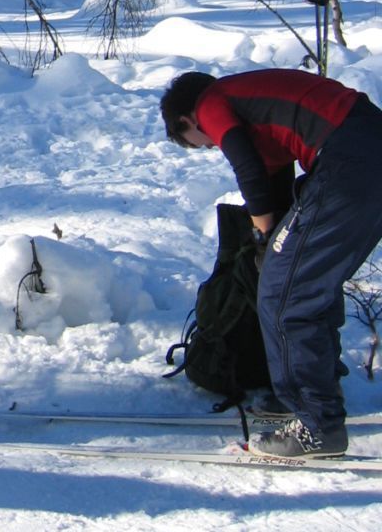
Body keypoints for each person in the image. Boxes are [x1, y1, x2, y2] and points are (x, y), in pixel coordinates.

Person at [160, 67, 382, 460]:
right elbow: (271, 187)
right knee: (305, 280)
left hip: (349, 159)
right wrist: (269, 237)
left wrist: (264, 232)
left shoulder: (212, 102)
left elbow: (245, 167)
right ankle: (315, 397)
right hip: (364, 148)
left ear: (185, 120)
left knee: (284, 292)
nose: (208, 147)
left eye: (194, 143)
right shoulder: (254, 110)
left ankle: (317, 424)